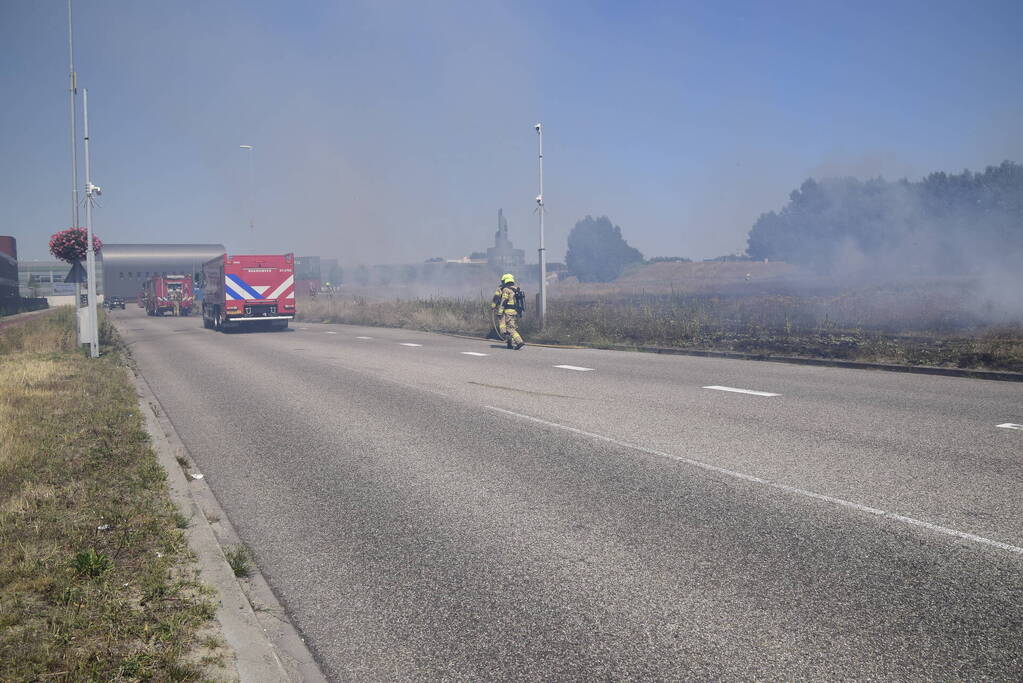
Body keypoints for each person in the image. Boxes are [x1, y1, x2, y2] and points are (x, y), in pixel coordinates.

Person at [491, 273, 525, 350]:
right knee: (510, 328)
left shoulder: (506, 289)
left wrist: (499, 312)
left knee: (509, 329)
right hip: (515, 312)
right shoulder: (516, 289)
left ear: (505, 281)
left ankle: (519, 342)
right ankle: (509, 343)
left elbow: (504, 301)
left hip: (508, 312)